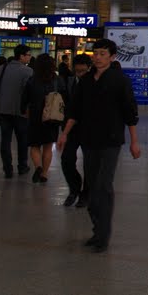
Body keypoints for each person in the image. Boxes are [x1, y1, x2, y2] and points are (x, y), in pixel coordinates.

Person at [58, 38, 141, 253]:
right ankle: (97, 230)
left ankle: (103, 235)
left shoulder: (120, 80)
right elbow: (75, 110)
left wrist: (134, 141)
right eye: (95, 53)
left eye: (103, 53)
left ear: (112, 57)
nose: (98, 57)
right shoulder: (86, 81)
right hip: (88, 139)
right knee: (93, 186)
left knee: (104, 185)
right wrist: (64, 134)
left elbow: (129, 112)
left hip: (111, 140)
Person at [21, 53, 61, 183]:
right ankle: (44, 174)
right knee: (48, 147)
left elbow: (25, 98)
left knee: (34, 145)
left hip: (35, 116)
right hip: (52, 117)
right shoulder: (57, 80)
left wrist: (23, 110)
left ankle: (38, 167)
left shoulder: (32, 80)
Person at [0, 44, 33, 179]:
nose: (30, 57)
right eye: (28, 55)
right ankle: (22, 166)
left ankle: (7, 168)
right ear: (21, 56)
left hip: (3, 110)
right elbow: (29, 92)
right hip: (21, 111)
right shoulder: (28, 71)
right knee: (22, 140)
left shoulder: (3, 68)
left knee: (5, 140)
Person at [60, 55, 91, 207]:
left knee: (89, 164)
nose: (80, 74)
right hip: (71, 128)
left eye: (83, 71)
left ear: (89, 69)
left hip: (90, 128)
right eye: (77, 71)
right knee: (66, 159)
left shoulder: (95, 83)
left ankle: (86, 194)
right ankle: (74, 188)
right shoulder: (69, 82)